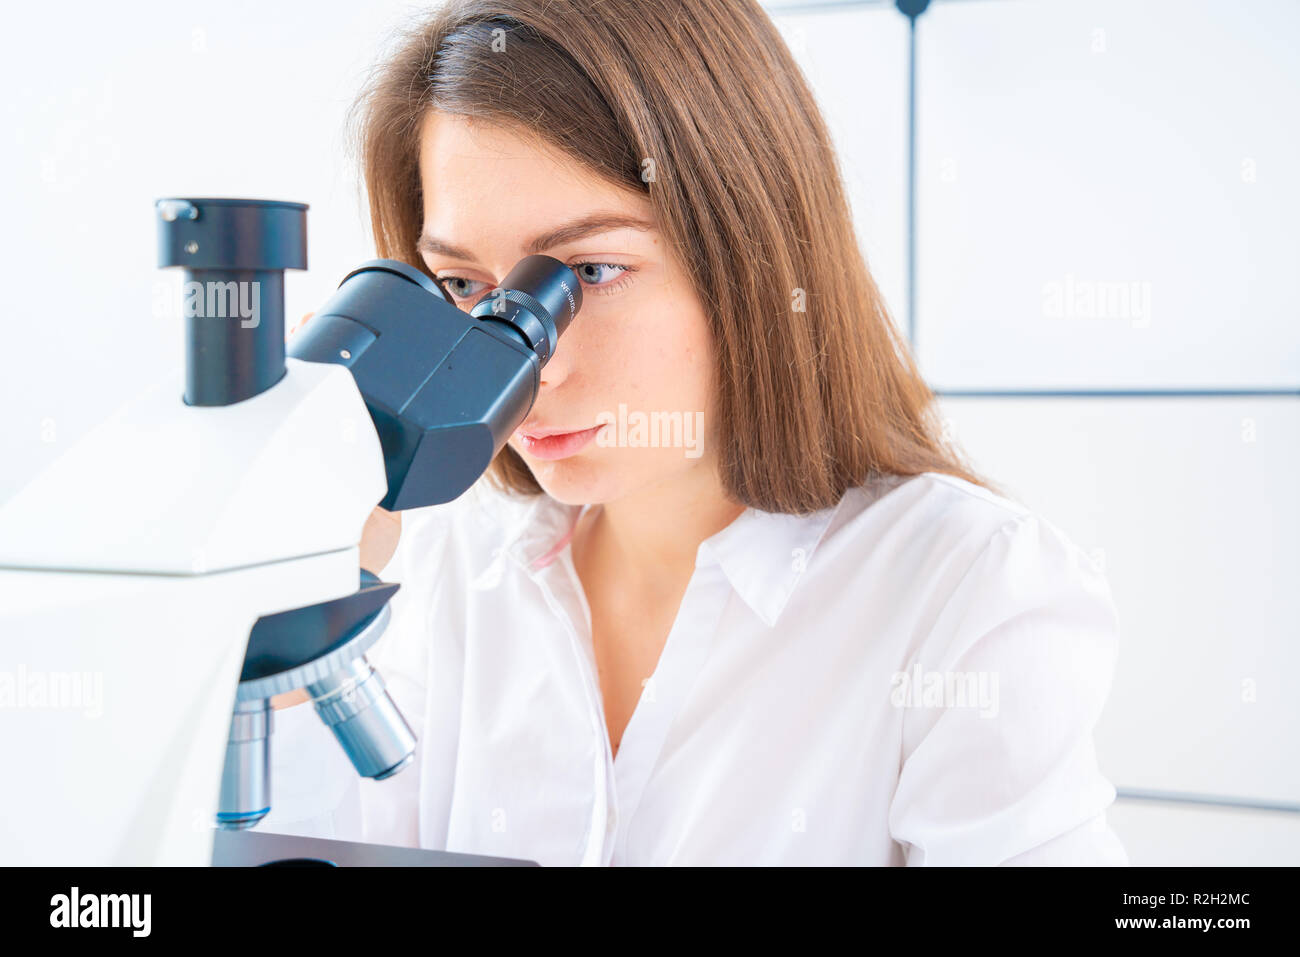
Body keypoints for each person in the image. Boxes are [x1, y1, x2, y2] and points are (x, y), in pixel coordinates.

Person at [258, 0, 1129, 866]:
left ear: (750, 252)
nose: (535, 371)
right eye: (459, 285)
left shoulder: (965, 596)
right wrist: (302, 592)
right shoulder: (445, 570)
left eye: (592, 272)